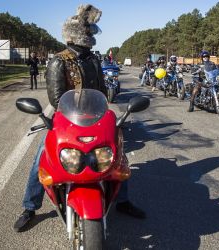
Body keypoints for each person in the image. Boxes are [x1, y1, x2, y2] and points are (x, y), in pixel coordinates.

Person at [14, 4, 145, 233]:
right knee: (41, 160)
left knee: (119, 156)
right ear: (79, 35)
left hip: (96, 115)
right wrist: (78, 111)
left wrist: (104, 113)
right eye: (90, 32)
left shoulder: (93, 60)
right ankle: (29, 207)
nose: (93, 36)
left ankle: (122, 200)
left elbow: (102, 91)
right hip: (68, 119)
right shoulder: (59, 61)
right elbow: (56, 100)